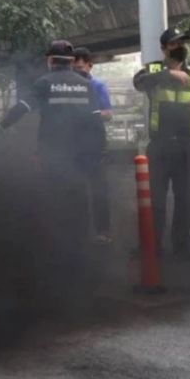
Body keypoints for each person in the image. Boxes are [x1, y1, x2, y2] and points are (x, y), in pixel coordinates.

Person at [0, 40, 101, 249]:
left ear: (50, 60)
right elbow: (96, 123)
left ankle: (56, 246)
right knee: (79, 199)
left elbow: (21, 108)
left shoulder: (44, 83)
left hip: (53, 153)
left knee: (54, 198)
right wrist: (97, 154)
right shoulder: (87, 85)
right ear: (71, 61)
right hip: (80, 154)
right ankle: (82, 246)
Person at [132, 28, 190, 261]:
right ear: (164, 49)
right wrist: (170, 75)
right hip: (160, 145)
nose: (180, 46)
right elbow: (139, 83)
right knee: (155, 199)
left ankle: (182, 245)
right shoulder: (152, 70)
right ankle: (151, 245)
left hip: (187, 146)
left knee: (185, 198)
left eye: (182, 42)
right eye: (174, 43)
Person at [72, 46, 113, 244]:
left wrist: (93, 115)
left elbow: (108, 113)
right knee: (76, 191)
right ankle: (79, 232)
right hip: (72, 146)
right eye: (74, 67)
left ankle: (103, 231)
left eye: (81, 67)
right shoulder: (69, 87)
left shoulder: (98, 86)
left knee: (99, 190)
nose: (78, 71)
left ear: (90, 66)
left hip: (95, 144)